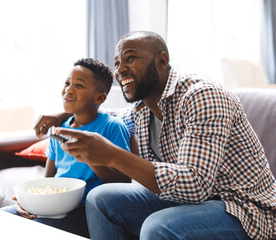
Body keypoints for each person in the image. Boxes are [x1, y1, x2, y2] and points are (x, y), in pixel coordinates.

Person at [34, 31, 276, 240]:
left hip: (242, 207)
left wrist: (113, 156)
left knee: (157, 226)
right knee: (100, 198)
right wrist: (62, 116)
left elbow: (196, 185)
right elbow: (106, 113)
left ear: (162, 61)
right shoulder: (143, 109)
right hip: (187, 201)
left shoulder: (202, 96)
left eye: (130, 58)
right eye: (117, 63)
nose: (120, 70)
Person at [3, 58, 133, 238]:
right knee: (2, 218)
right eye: (67, 83)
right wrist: (29, 201)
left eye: (79, 86)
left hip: (86, 211)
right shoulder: (59, 128)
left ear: (100, 98)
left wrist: (89, 156)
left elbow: (124, 182)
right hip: (52, 205)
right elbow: (47, 179)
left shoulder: (113, 127)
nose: (69, 90)